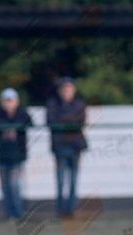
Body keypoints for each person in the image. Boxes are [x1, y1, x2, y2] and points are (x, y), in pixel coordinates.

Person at [0, 88, 33, 221]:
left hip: (17, 156)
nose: (8, 104)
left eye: (11, 101)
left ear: (16, 102)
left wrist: (14, 128)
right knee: (5, 187)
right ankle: (8, 214)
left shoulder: (22, 114)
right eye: (6, 101)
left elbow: (29, 122)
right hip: (2, 156)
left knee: (14, 186)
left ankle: (18, 213)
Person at [46, 77, 87, 218]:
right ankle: (60, 210)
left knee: (73, 181)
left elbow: (79, 121)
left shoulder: (79, 104)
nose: (66, 92)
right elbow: (51, 121)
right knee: (61, 181)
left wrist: (63, 122)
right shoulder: (52, 104)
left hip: (75, 147)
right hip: (60, 147)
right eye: (64, 89)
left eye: (69, 89)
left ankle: (70, 210)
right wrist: (69, 122)